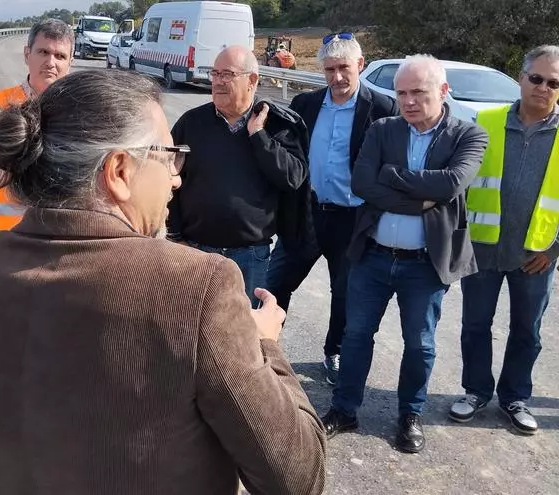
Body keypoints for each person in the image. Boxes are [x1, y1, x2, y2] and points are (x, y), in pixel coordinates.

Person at [0, 70, 326, 495]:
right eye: (169, 155)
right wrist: (265, 344)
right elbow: (297, 479)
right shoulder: (199, 287)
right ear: (118, 171)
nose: (176, 176)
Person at [319, 55, 488, 453]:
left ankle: (410, 415)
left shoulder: (468, 135)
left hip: (424, 265)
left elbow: (449, 185)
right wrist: (420, 198)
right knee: (356, 335)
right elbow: (362, 183)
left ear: (443, 92)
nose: (409, 101)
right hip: (373, 256)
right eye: (402, 93)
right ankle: (344, 409)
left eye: (419, 92)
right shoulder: (383, 129)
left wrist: (391, 178)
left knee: (420, 344)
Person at [265, 33, 398, 386]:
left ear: (360, 66)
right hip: (307, 213)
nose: (337, 78)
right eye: (329, 70)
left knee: (345, 293)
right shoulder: (306, 103)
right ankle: (265, 349)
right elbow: (284, 151)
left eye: (344, 69)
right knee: (275, 283)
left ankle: (333, 350)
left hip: (353, 219)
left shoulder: (383, 109)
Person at [449, 45, 559, 435]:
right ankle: (476, 391)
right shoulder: (485, 122)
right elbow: (459, 185)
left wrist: (554, 248)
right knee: (475, 323)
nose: (544, 87)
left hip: (536, 256)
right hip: (482, 248)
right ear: (521, 78)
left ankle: (515, 397)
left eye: (554, 82)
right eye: (537, 78)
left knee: (527, 329)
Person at [167, 45, 309, 308]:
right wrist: (174, 235)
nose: (218, 81)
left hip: (250, 257)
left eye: (227, 74)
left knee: (244, 338)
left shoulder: (276, 125)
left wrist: (259, 137)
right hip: (195, 251)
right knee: (189, 330)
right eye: (215, 73)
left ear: (252, 80)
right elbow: (168, 180)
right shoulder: (191, 123)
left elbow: (293, 178)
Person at [0, 18, 73, 236]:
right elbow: (0, 174)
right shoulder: (1, 105)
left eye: (60, 56)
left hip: (60, 234)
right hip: (9, 234)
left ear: (70, 62)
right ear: (26, 54)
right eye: (43, 52)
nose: (51, 62)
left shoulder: (76, 108)